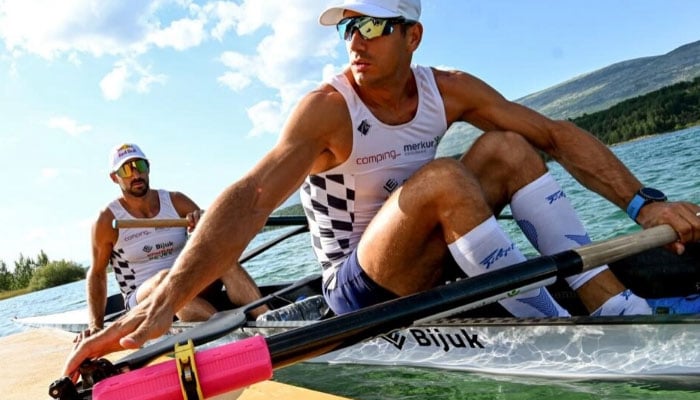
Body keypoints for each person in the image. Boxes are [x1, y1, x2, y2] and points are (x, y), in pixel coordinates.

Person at [64, 0, 700, 378]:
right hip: (355, 287)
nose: (355, 42)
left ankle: (614, 308)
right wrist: (160, 301)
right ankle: (553, 324)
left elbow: (556, 136)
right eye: (347, 28)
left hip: (430, 248)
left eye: (372, 26)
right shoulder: (327, 109)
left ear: (412, 35)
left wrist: (647, 203)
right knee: (446, 176)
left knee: (510, 144)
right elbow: (254, 198)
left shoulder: (448, 88)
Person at [78, 143, 267, 342]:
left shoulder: (176, 201)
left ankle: (267, 318)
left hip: (187, 279)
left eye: (139, 166)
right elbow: (97, 273)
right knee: (166, 279)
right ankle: (233, 336)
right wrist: (95, 326)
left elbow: (217, 239)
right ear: (114, 178)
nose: (135, 175)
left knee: (222, 258)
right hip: (142, 297)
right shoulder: (107, 220)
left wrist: (203, 223)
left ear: (148, 167)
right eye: (126, 169)